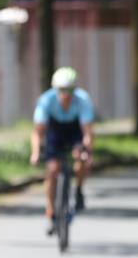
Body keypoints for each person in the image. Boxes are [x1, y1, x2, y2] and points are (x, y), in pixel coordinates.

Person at [29, 67, 95, 235]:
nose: (66, 94)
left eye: (70, 90)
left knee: (81, 158)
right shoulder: (46, 101)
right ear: (55, 89)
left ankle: (79, 189)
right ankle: (51, 212)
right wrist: (36, 152)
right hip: (55, 132)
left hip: (74, 131)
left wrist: (88, 151)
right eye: (61, 90)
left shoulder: (83, 100)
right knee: (52, 170)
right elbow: (38, 132)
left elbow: (87, 132)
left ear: (75, 89)